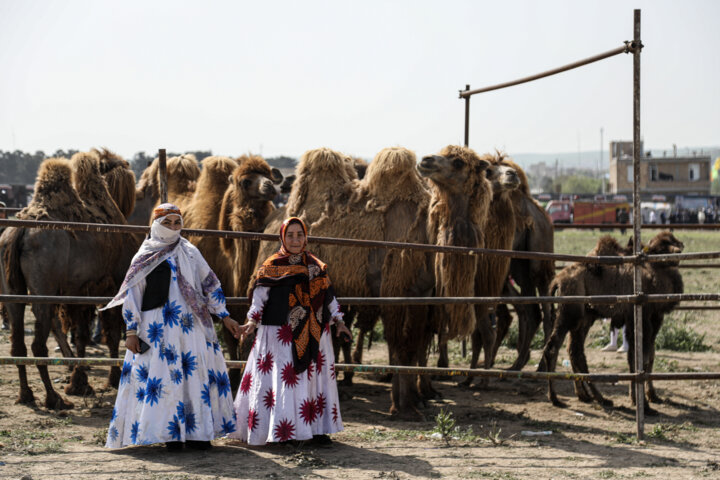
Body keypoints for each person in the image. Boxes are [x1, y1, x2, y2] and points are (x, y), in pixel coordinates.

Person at [103, 203, 242, 450]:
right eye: (167, 222)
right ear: (155, 224)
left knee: (194, 377)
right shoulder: (143, 256)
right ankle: (171, 436)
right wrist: (132, 331)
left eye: (177, 222)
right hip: (157, 331)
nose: (173, 227)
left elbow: (209, 283)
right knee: (164, 378)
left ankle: (198, 434)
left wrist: (224, 315)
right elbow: (133, 295)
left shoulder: (190, 252)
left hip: (192, 328)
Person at [231, 217, 351, 446]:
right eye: (290, 235)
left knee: (312, 381)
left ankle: (314, 431)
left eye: (300, 234)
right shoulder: (271, 266)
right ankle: (282, 432)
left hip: (314, 333)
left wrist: (339, 322)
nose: (295, 240)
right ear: (282, 237)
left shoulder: (317, 266)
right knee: (286, 380)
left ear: (306, 237)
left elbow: (329, 298)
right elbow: (259, 299)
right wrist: (251, 322)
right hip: (280, 336)